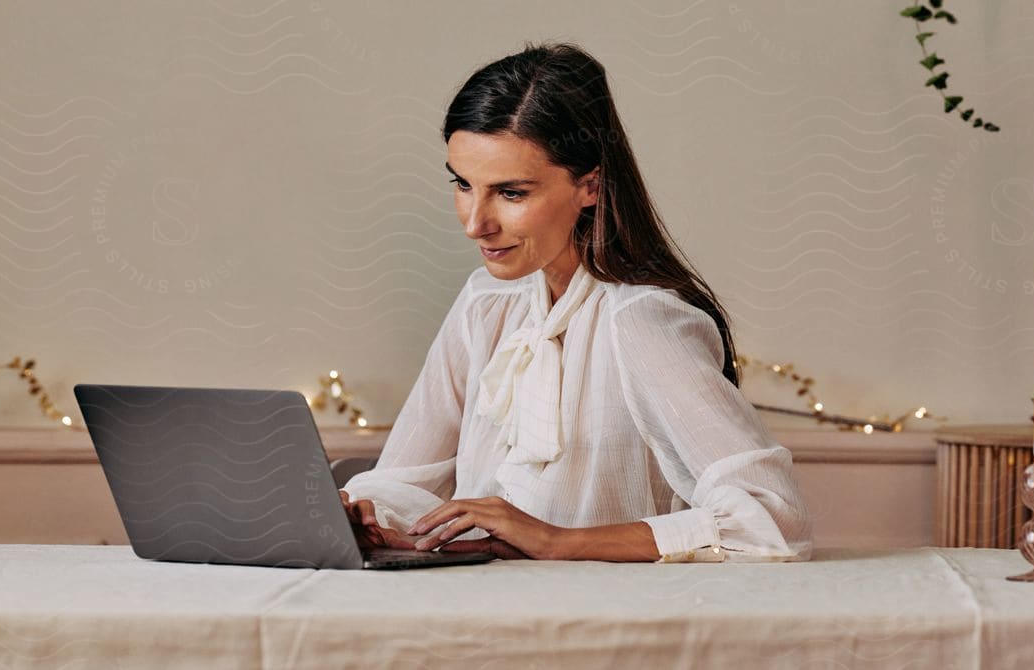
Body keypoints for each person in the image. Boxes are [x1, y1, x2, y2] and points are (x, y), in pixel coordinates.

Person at [338, 42, 812, 563]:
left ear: (590, 185)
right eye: (463, 185)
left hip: (614, 625)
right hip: (486, 614)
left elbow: (772, 517)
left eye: (511, 193)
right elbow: (405, 479)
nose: (476, 223)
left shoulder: (641, 320)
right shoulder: (486, 304)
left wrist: (555, 540)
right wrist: (362, 514)